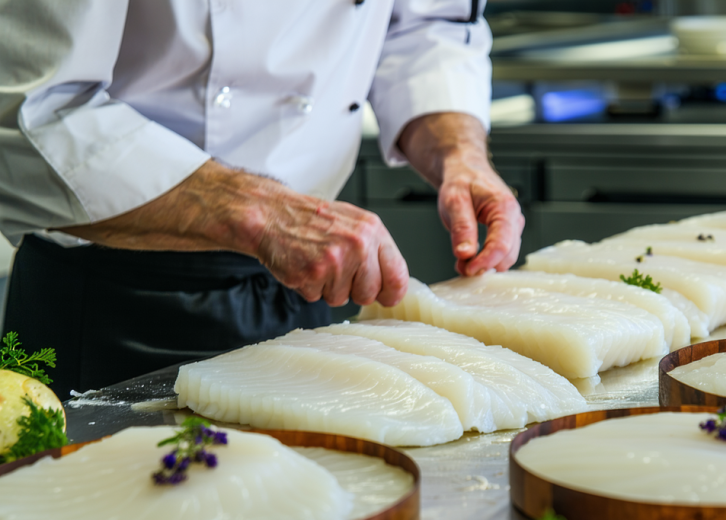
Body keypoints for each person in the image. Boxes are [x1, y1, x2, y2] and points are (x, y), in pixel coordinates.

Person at [0, 0, 524, 399]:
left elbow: (425, 26)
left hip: (312, 287)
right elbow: (24, 112)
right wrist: (261, 215)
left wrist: (459, 154)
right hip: (107, 305)